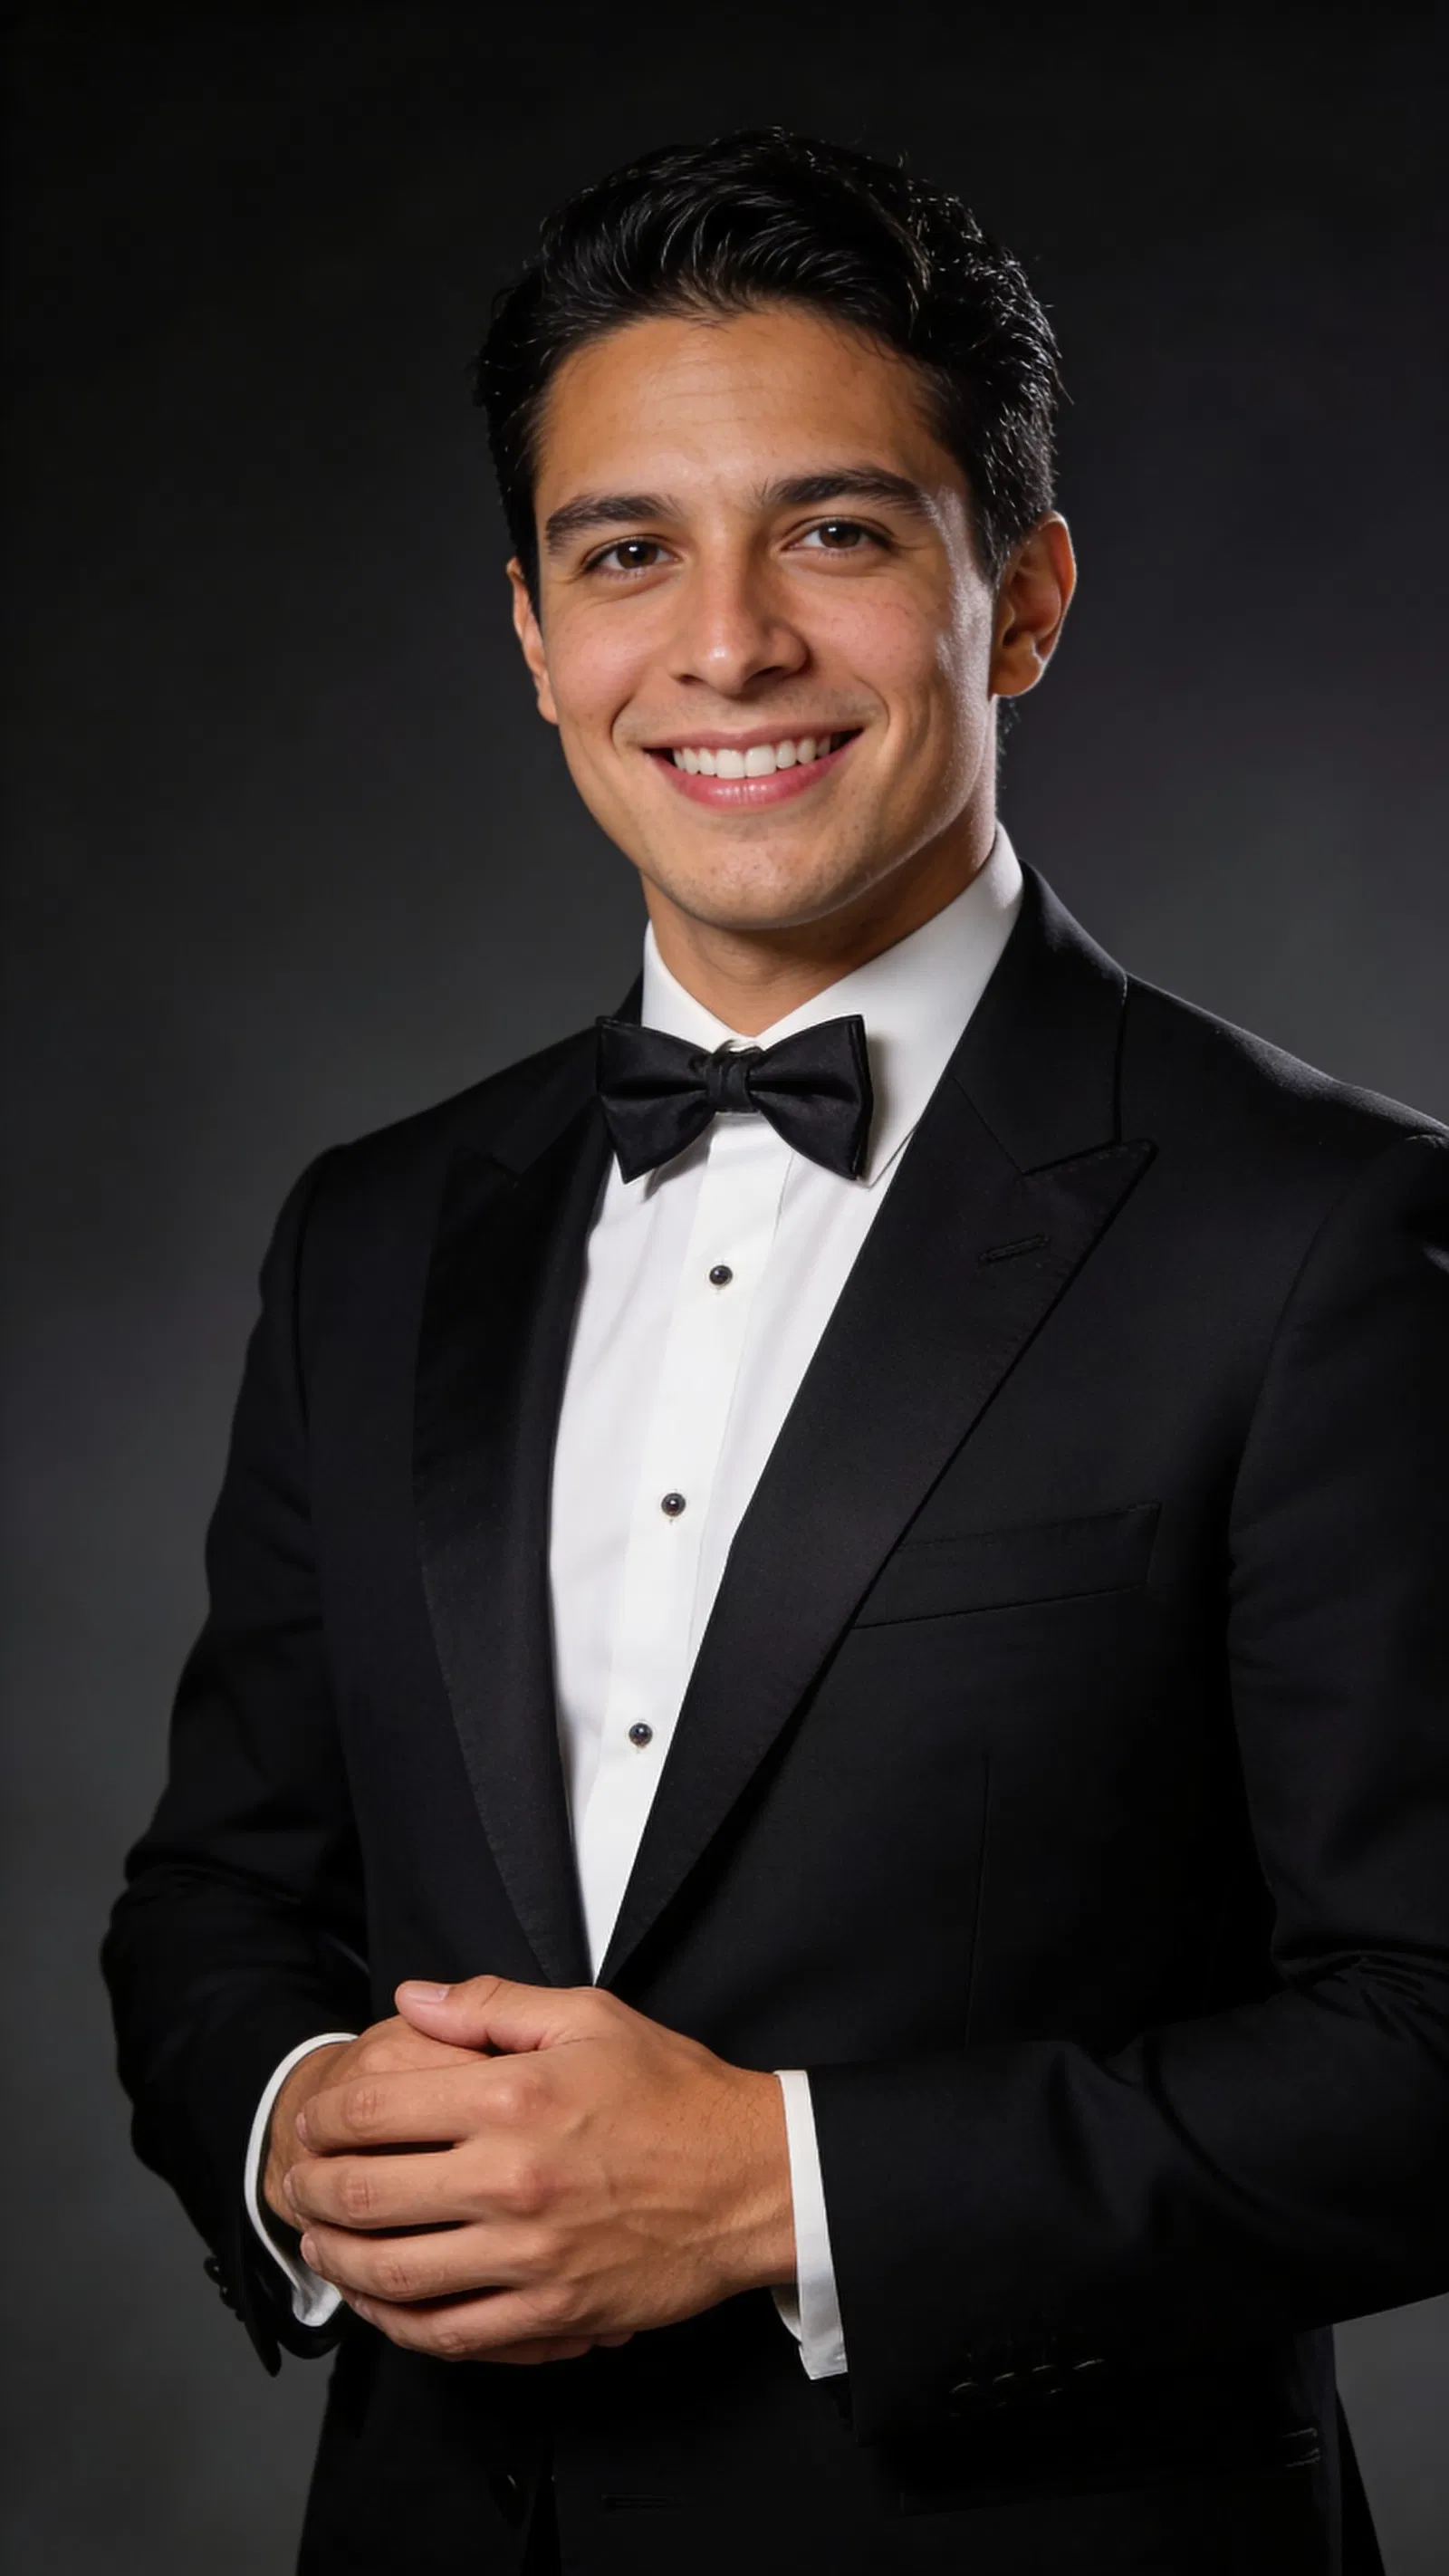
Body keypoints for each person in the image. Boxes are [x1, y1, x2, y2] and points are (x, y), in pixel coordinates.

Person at [103, 130, 1449, 2576]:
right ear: (533, 634)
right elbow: (216, 1893)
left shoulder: (1337, 1233)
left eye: (833, 532)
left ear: (1017, 596)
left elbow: (1440, 2047)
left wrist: (780, 2189)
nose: (721, 645)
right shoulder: (373, 1232)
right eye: (628, 552)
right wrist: (292, 2122)